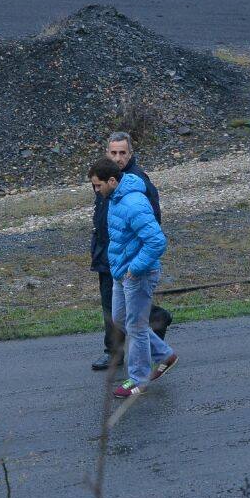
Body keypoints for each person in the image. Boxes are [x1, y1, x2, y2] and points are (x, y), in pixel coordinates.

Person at [89, 158, 177, 398]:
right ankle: (164, 354)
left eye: (98, 186)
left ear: (112, 181)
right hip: (121, 272)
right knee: (119, 318)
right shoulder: (114, 198)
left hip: (138, 274)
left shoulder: (133, 203)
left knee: (136, 327)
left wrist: (135, 268)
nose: (96, 190)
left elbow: (157, 241)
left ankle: (139, 379)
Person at [90, 132, 164, 371]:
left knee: (127, 314)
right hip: (109, 253)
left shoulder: (135, 182)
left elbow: (153, 229)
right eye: (114, 152)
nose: (118, 157)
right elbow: (104, 220)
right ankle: (148, 343)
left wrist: (136, 264)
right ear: (107, 153)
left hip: (130, 260)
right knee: (116, 310)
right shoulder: (104, 178)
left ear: (130, 154)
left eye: (123, 153)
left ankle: (120, 356)